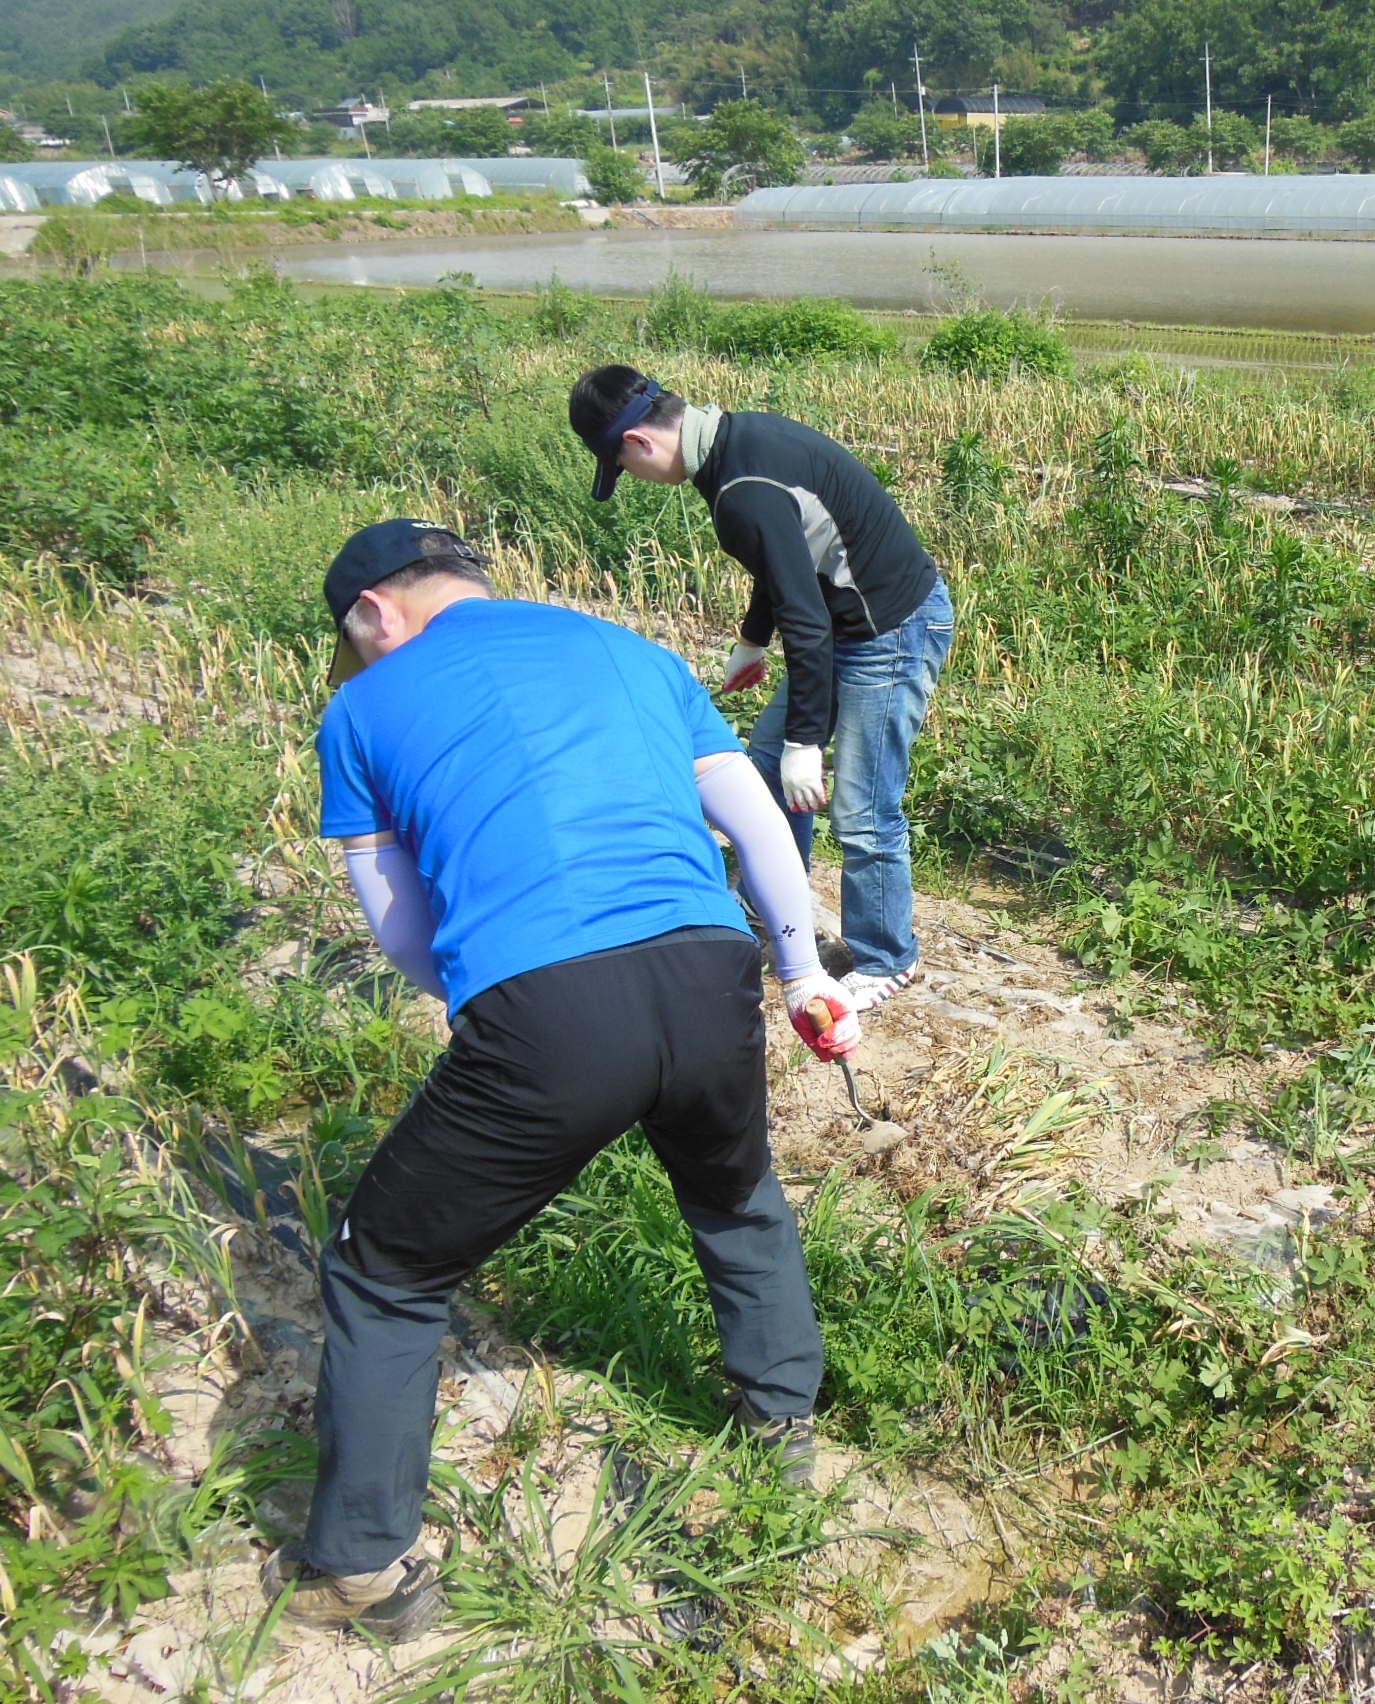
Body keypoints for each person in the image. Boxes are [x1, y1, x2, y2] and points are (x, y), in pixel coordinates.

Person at [261, 519, 861, 1641]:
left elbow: (399, 926)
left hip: (546, 1009)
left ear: (375, 615)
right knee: (734, 1197)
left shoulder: (361, 710)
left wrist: (503, 998)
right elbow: (753, 824)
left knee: (386, 1268)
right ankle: (780, 1433)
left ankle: (358, 1572)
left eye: (360, 646)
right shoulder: (631, 651)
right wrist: (797, 972)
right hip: (705, 965)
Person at [570, 366, 954, 1014]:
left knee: (861, 807)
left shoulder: (739, 483)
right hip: (841, 626)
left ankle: (888, 957)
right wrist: (751, 638)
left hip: (887, 631)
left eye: (624, 467)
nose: (635, 478)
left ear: (637, 442)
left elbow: (804, 615)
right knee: (768, 768)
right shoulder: (729, 445)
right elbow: (783, 562)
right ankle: (770, 896)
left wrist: (810, 738)